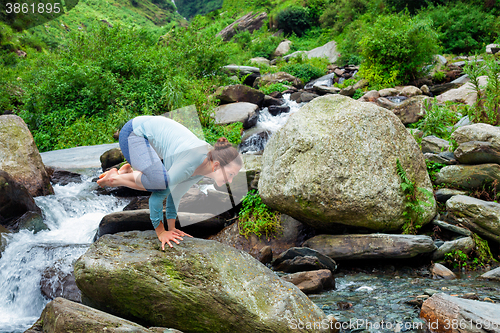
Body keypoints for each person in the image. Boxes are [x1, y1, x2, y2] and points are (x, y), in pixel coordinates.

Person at [97, 115, 243, 250]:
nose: (230, 180)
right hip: (133, 133)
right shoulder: (191, 161)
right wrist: (161, 232)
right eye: (230, 174)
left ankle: (126, 173)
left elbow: (175, 194)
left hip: (151, 141)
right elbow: (156, 198)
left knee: (163, 182)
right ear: (217, 165)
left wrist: (172, 228)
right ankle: (115, 178)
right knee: (159, 183)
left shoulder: (204, 167)